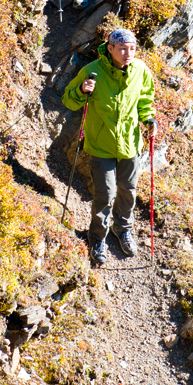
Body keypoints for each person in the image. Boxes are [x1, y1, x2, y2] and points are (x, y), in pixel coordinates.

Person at [62, 26, 156, 266]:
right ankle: (97, 237)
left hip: (131, 143)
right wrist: (82, 90)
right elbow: (69, 100)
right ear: (110, 48)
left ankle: (123, 229)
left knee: (128, 190)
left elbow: (145, 100)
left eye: (132, 48)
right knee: (105, 194)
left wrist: (149, 119)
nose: (128, 53)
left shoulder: (141, 71)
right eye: (123, 48)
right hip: (100, 145)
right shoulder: (92, 71)